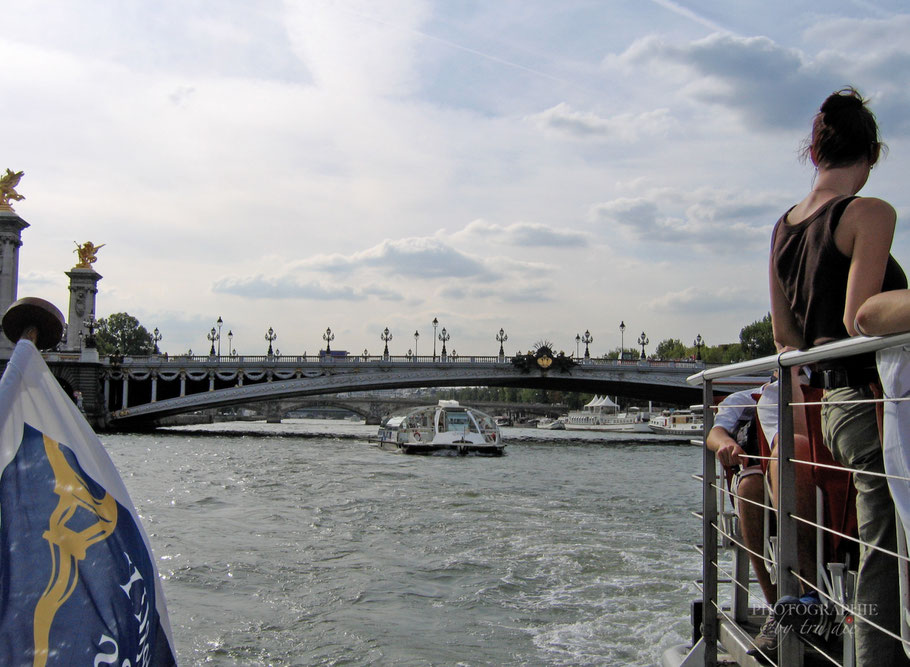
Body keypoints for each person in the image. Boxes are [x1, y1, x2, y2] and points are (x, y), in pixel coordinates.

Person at [769, 86, 908, 664]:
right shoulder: (869, 214)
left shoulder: (784, 227)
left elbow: (786, 342)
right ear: (871, 155)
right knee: (886, 542)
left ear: (813, 152)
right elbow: (862, 317)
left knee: (876, 536)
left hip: (829, 406)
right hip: (874, 398)